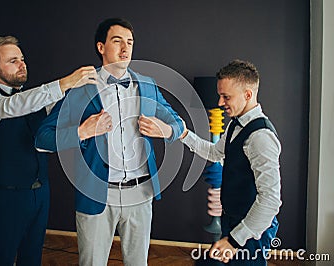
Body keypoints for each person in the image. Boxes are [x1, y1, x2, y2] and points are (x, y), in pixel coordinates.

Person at [35, 18, 184, 265]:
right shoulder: (79, 89)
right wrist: (82, 131)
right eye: (117, 41)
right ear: (101, 47)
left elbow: (178, 124)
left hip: (141, 194)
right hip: (96, 195)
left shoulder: (147, 85)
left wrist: (166, 129)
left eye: (130, 42)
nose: (125, 48)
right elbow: (42, 137)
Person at [0, 35, 97, 266]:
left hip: (41, 193)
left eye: (22, 58)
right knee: (2, 258)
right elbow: (11, 106)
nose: (22, 64)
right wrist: (66, 82)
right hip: (6, 197)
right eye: (12, 61)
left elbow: (48, 135)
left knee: (33, 257)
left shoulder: (37, 101)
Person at [180, 60, 281, 265]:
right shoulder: (236, 124)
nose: (220, 102)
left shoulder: (261, 137)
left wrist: (235, 241)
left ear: (248, 95)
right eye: (220, 95)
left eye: (226, 97)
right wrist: (183, 134)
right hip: (232, 221)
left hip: (252, 231)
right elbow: (215, 152)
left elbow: (270, 200)